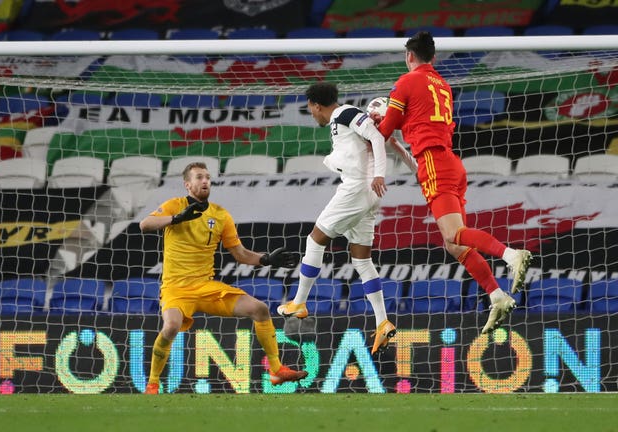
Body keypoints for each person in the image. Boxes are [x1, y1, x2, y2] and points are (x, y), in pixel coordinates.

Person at [375, 31, 532, 334]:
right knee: (453, 243)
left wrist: (370, 124)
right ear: (432, 57)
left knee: (453, 233)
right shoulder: (443, 85)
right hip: (451, 162)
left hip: (434, 161)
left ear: (409, 56)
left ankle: (512, 254)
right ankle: (497, 296)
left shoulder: (406, 82)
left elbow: (385, 130)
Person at [139, 161, 307, 394]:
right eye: (199, 177)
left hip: (206, 287)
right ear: (188, 184)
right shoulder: (173, 206)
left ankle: (276, 370)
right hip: (176, 289)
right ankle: (153, 383)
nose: (205, 180)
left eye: (207, 177)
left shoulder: (219, 214)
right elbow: (145, 225)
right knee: (171, 327)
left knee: (259, 309)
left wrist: (266, 259)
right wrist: (176, 218)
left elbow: (239, 253)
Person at [277, 82, 398, 355]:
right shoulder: (341, 121)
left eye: (311, 110)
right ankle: (382, 321)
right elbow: (376, 141)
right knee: (362, 260)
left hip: (357, 187)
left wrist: (379, 174)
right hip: (367, 194)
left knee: (315, 240)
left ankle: (298, 301)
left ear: (317, 106)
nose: (312, 115)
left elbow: (377, 138)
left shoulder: (345, 113)